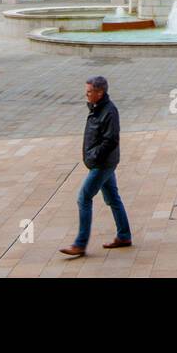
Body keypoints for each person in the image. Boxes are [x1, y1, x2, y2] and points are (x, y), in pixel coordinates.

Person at [60, 76, 132, 258]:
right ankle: (124, 236)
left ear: (100, 93)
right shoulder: (97, 108)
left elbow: (111, 140)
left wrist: (94, 156)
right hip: (103, 162)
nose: (86, 94)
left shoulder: (109, 111)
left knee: (84, 198)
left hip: (102, 164)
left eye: (90, 91)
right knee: (113, 198)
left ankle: (80, 244)